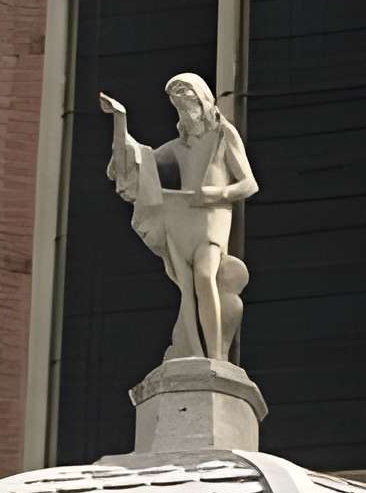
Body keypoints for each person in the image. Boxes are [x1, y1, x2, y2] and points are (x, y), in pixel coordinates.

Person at [100, 74, 257, 363]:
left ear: (202, 99)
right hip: (181, 219)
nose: (184, 109)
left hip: (211, 218)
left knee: (205, 276)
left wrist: (216, 193)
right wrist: (120, 121)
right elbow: (141, 160)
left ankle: (216, 357)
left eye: (187, 100)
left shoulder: (223, 135)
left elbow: (249, 184)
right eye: (177, 104)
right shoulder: (177, 147)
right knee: (187, 288)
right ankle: (196, 353)